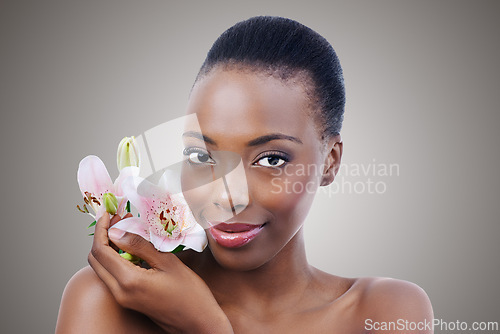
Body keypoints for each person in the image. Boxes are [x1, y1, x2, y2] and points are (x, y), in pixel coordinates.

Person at [56, 16, 433, 333]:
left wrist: (208, 327)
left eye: (270, 160)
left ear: (330, 162)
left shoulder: (384, 312)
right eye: (201, 155)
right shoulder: (108, 300)